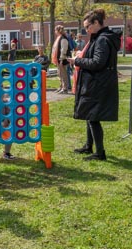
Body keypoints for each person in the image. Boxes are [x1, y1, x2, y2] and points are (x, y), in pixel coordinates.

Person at [67, 9, 121, 161]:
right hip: (98, 82)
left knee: (93, 117)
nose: (86, 30)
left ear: (96, 23)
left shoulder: (102, 40)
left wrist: (76, 61)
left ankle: (100, 153)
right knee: (89, 114)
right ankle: (88, 146)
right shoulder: (101, 38)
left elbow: (97, 63)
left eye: (87, 26)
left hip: (98, 83)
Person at [51, 25, 70, 94]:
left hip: (62, 59)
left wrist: (61, 59)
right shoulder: (59, 38)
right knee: (60, 74)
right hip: (58, 59)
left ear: (58, 31)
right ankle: (61, 86)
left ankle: (65, 88)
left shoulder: (63, 38)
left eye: (55, 30)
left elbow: (63, 49)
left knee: (63, 74)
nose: (55, 31)